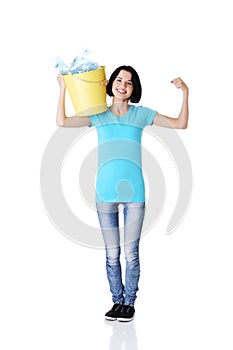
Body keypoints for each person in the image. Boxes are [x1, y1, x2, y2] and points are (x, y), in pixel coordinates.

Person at [56, 65, 189, 322]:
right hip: (104, 194)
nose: (123, 85)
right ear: (111, 83)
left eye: (128, 82)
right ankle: (116, 301)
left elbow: (180, 124)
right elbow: (61, 121)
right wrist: (63, 88)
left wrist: (186, 93)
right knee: (111, 254)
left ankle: (130, 302)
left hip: (134, 194)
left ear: (133, 89)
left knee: (131, 253)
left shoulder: (140, 115)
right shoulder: (98, 114)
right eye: (119, 80)